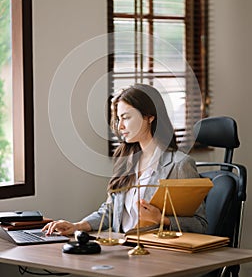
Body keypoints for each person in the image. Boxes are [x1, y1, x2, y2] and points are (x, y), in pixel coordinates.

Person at [43, 83, 207, 236]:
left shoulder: (179, 165)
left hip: (157, 255)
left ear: (149, 117)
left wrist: (161, 219)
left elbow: (201, 225)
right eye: (119, 119)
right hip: (122, 249)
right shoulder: (126, 160)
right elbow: (111, 211)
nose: (120, 126)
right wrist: (77, 226)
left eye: (126, 117)